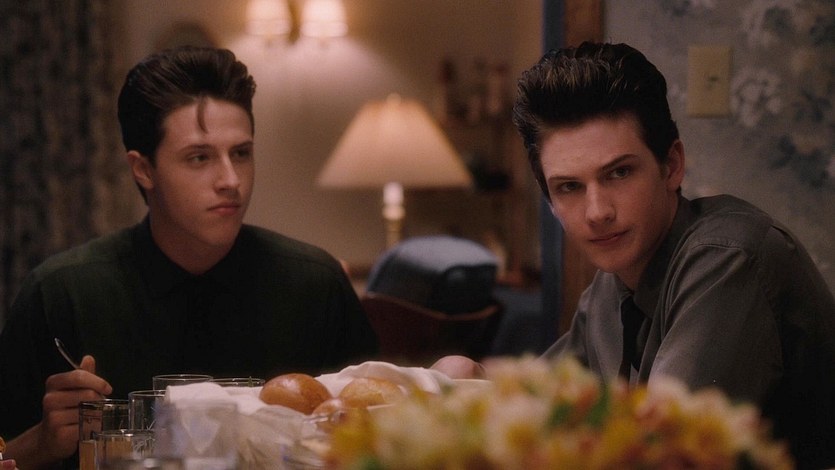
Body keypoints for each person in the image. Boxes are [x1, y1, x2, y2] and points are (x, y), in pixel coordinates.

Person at [436, 42, 835, 469]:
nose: (597, 212)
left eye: (619, 172)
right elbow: (544, 405)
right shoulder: (612, 285)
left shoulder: (728, 260)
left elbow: (656, 455)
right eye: (569, 187)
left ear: (672, 165)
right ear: (550, 201)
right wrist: (473, 380)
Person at [0, 46, 378, 468]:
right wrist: (41, 443)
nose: (231, 180)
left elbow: (383, 443)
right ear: (143, 169)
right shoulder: (61, 293)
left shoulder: (315, 285)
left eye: (241, 153)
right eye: (199, 158)